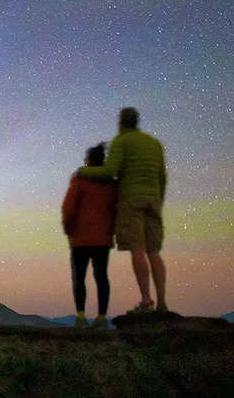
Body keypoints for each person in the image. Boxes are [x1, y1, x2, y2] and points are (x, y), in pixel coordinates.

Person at [77, 107, 168, 313]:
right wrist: (158, 200)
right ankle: (162, 302)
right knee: (154, 251)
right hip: (153, 201)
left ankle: (146, 301)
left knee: (138, 248)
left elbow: (110, 171)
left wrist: (85, 170)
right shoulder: (155, 144)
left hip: (131, 201)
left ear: (121, 123)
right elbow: (162, 176)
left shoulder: (121, 141)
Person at [62, 143, 117, 328]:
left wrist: (68, 229)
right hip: (103, 238)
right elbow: (115, 209)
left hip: (80, 238)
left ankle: (81, 316)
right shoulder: (110, 183)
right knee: (101, 276)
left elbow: (69, 207)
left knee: (79, 277)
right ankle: (101, 318)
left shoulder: (79, 180)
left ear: (88, 161)